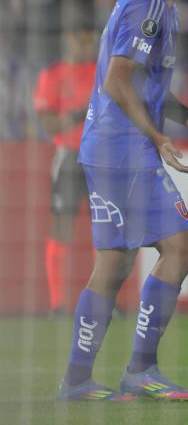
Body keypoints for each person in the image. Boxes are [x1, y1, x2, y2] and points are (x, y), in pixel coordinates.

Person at [57, 0, 188, 402]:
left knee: (118, 262)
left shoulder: (159, 7)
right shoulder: (147, 6)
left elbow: (142, 83)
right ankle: (137, 370)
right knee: (179, 248)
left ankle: (80, 379)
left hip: (115, 147)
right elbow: (116, 81)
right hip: (122, 149)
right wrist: (157, 136)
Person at [32, 25, 97, 316]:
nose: (87, 45)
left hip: (101, 158)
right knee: (61, 229)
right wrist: (80, 112)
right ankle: (58, 304)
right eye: (82, 38)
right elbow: (48, 126)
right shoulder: (53, 75)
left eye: (91, 39)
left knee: (107, 231)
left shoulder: (103, 71)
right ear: (69, 38)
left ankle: (105, 301)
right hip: (69, 158)